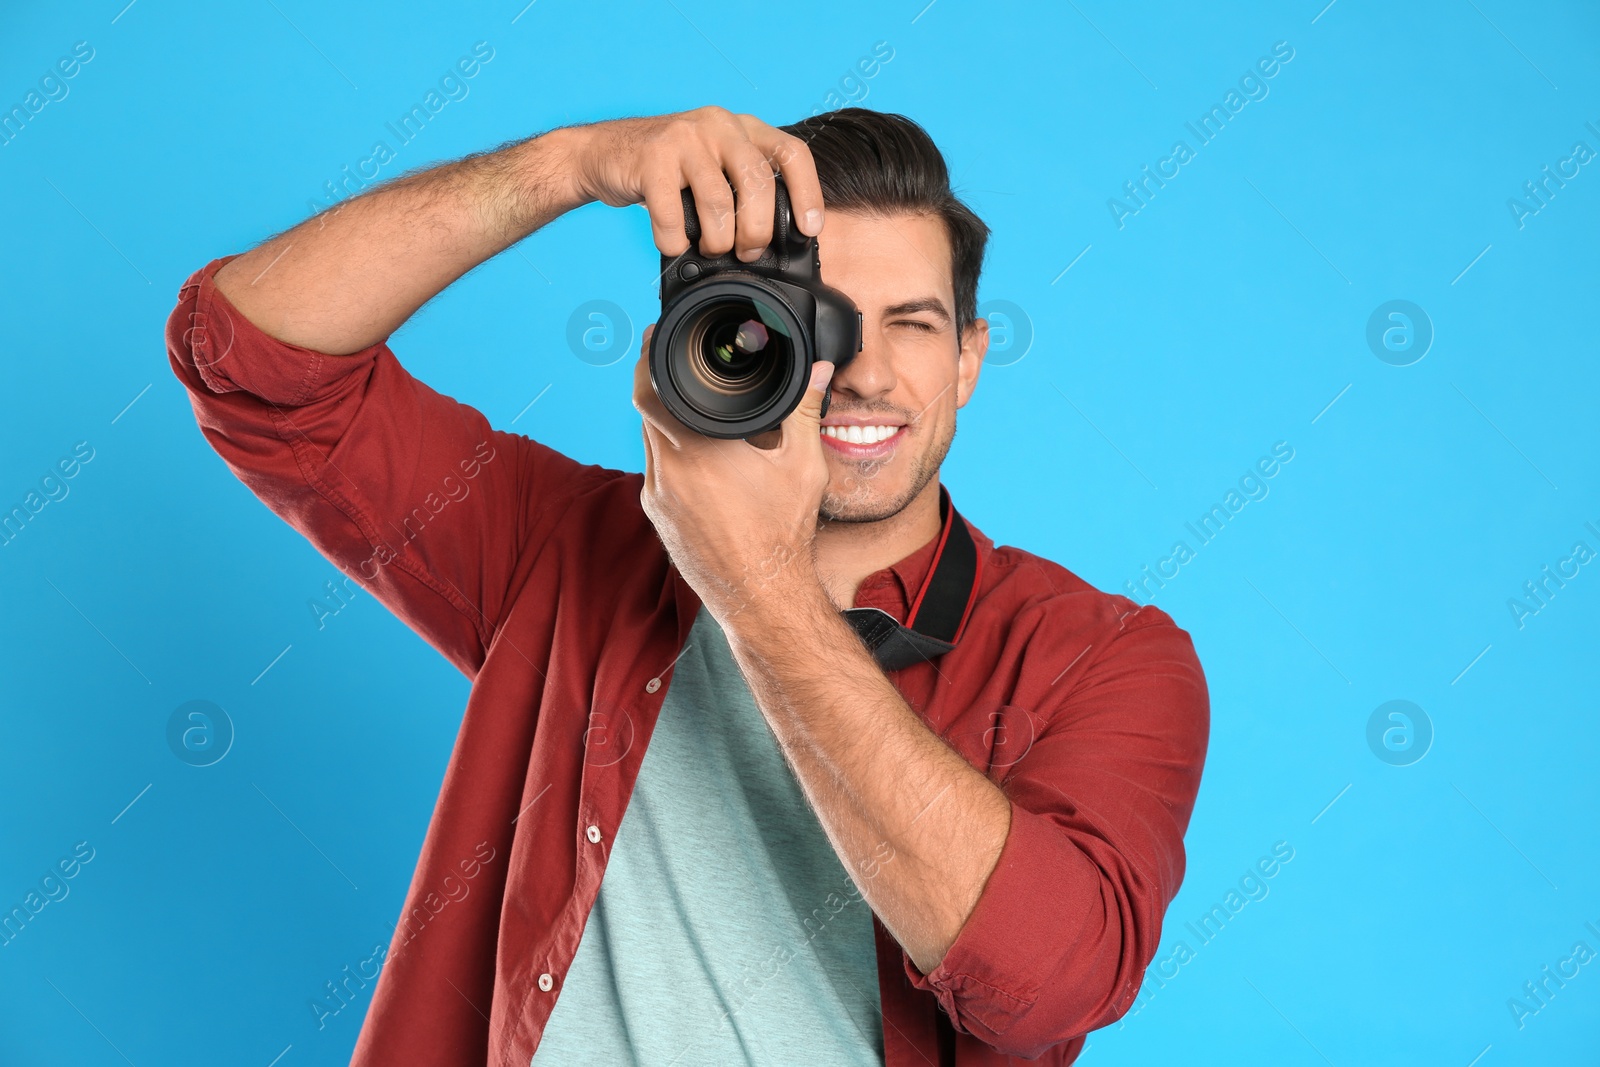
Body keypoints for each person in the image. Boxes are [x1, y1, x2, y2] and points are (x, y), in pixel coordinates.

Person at [165, 105, 1209, 1066]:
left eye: (913, 323)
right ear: (726, 333)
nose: (864, 373)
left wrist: (754, 585)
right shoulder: (569, 545)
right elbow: (252, 359)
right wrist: (566, 164)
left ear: (970, 358)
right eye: (823, 321)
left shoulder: (1102, 653)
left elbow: (1048, 982)